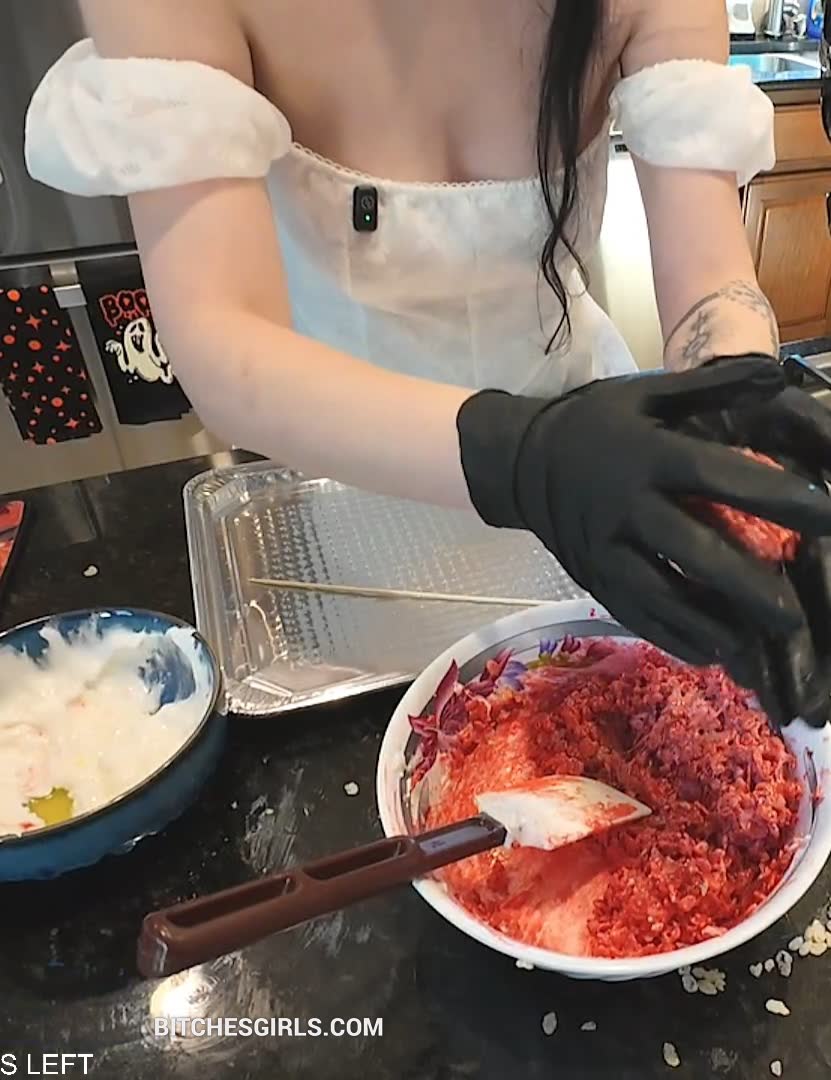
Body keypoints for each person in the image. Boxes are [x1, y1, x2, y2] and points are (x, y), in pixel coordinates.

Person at [24, 0, 831, 724]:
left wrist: (743, 427)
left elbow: (708, 283)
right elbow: (221, 338)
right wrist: (522, 457)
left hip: (594, 468)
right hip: (350, 466)